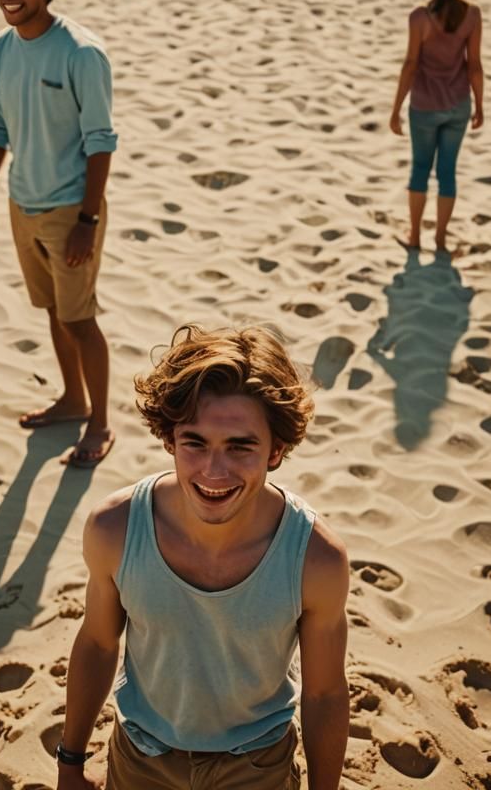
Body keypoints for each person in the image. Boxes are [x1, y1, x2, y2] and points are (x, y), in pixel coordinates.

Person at [54, 324, 350, 790]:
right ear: (169, 439)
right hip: (140, 758)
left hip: (257, 766)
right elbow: (97, 643)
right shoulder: (114, 528)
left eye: (240, 446)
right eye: (195, 442)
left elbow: (325, 692)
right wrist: (69, 761)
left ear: (276, 450)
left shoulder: (316, 558)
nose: (214, 471)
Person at [0, 0, 117, 468]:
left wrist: (88, 218)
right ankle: (72, 399)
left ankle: (100, 422)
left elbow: (101, 141)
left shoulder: (81, 53)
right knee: (54, 310)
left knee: (80, 318)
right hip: (21, 204)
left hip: (70, 209)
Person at [389, 0, 483, 254]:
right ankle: (440, 239)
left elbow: (410, 64)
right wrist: (480, 104)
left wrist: (396, 108)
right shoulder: (472, 15)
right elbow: (475, 65)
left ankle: (415, 237)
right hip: (458, 104)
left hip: (425, 105)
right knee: (447, 173)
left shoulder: (420, 18)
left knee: (419, 169)